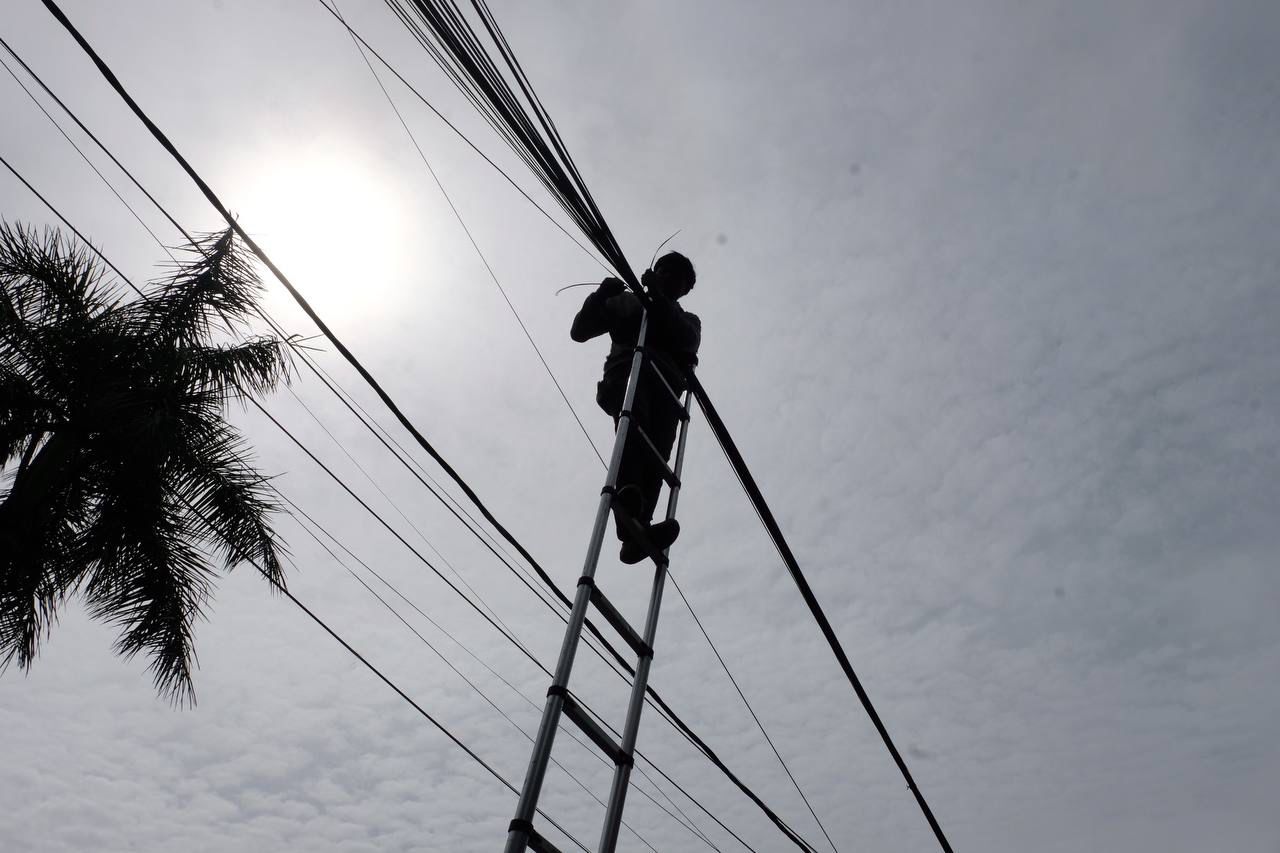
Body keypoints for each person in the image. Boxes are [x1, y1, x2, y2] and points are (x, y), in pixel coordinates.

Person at [570, 251, 701, 564]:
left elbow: (687, 340)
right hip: (629, 375)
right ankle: (629, 501)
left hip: (666, 394)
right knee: (634, 423)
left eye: (678, 277)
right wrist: (601, 295)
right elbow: (580, 331)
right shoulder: (630, 302)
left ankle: (636, 533)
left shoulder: (688, 319)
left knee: (657, 455)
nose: (669, 277)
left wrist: (657, 296)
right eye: (664, 270)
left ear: (685, 289)